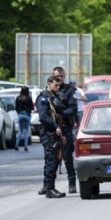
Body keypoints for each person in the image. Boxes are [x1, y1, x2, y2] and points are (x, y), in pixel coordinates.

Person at [36, 75, 67, 198]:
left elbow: (58, 117)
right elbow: (43, 117)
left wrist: (61, 133)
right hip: (49, 134)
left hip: (55, 133)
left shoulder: (52, 97)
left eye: (59, 85)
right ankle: (50, 189)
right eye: (56, 85)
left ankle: (46, 186)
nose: (58, 87)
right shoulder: (43, 98)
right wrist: (55, 127)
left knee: (52, 160)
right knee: (51, 162)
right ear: (49, 84)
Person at [52, 66, 77, 194]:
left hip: (65, 126)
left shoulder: (69, 91)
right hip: (53, 128)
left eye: (61, 76)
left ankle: (72, 183)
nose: (59, 79)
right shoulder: (50, 90)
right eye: (57, 76)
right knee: (52, 158)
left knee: (67, 157)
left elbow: (73, 108)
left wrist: (61, 114)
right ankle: (49, 186)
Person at [14, 86, 33, 152]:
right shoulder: (29, 98)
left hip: (20, 115)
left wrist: (19, 112)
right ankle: (25, 147)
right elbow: (32, 107)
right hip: (27, 115)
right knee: (26, 131)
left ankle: (16, 145)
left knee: (20, 130)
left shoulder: (18, 98)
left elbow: (16, 107)